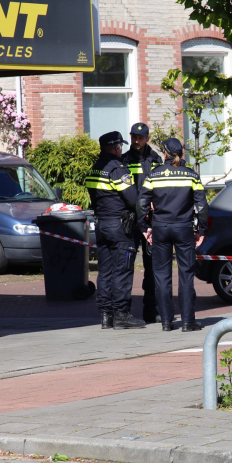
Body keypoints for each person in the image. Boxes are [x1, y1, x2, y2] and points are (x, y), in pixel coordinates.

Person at [138, 138, 208, 332]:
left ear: (165, 153)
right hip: (184, 228)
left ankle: (167, 322)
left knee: (161, 276)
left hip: (160, 228)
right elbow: (202, 206)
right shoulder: (191, 175)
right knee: (186, 275)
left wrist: (144, 227)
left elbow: (142, 203)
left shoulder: (154, 175)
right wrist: (201, 230)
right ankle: (187, 322)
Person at [84, 131, 146, 330]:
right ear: (116, 148)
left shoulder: (95, 168)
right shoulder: (118, 169)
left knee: (105, 271)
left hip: (102, 225)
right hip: (120, 227)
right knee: (123, 270)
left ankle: (105, 315)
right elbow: (132, 198)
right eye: (120, 147)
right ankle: (121, 314)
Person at [122, 122, 163, 324]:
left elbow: (160, 186)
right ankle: (123, 312)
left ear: (147, 138)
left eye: (139, 137)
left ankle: (150, 310)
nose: (136, 141)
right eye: (133, 137)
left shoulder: (156, 159)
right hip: (131, 220)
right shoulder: (124, 160)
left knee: (151, 267)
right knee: (126, 266)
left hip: (149, 220)